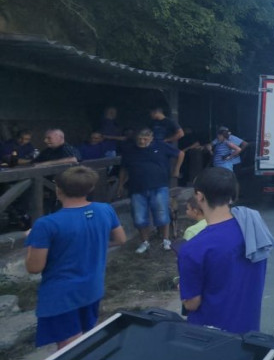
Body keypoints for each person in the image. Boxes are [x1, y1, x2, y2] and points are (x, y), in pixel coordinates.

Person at [24, 166, 125, 348]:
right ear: (91, 188)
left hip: (62, 296)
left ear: (58, 190)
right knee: (85, 338)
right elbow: (120, 239)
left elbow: (34, 267)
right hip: (92, 288)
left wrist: (32, 242)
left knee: (70, 349)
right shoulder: (105, 209)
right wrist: (93, 244)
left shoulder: (46, 224)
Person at [178, 168, 274, 333]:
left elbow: (192, 304)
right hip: (249, 333)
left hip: (210, 337)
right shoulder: (253, 230)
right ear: (232, 195)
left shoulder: (193, 248)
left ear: (199, 196)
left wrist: (183, 288)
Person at [117, 128, 184, 253]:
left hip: (159, 185)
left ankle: (166, 240)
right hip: (136, 188)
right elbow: (123, 168)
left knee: (162, 214)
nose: (142, 141)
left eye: (145, 139)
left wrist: (176, 170)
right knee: (139, 218)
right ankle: (145, 242)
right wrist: (120, 185)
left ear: (151, 138)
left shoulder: (161, 145)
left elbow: (180, 153)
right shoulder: (129, 150)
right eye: (139, 139)